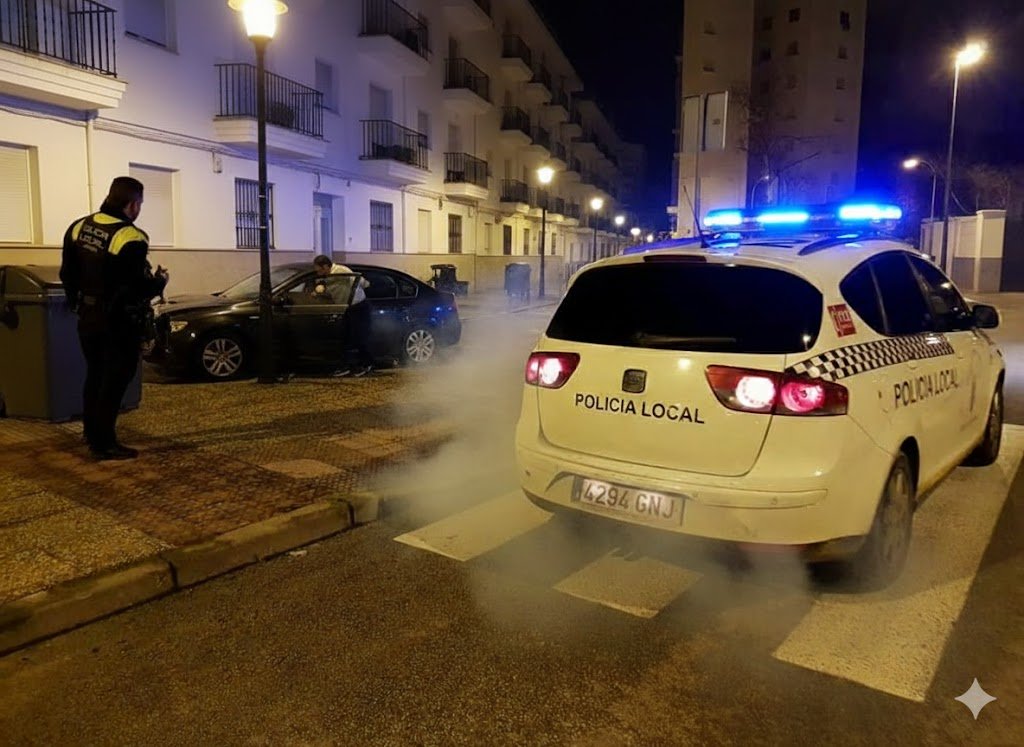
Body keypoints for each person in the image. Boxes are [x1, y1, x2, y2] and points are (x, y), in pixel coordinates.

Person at [60, 176, 169, 461]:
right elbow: (134, 286)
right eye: (140, 204)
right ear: (132, 204)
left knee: (95, 374)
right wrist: (159, 283)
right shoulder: (131, 237)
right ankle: (104, 443)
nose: (139, 209)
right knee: (116, 378)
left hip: (88, 316)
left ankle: (91, 432)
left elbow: (66, 274)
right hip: (118, 322)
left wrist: (77, 303)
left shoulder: (78, 227)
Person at [312, 255, 373, 377]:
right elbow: (328, 289)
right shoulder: (325, 277)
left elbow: (361, 283)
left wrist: (364, 283)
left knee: (359, 337)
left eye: (319, 270)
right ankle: (347, 366)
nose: (318, 273)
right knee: (345, 338)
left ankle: (366, 364)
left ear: (325, 266)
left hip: (358, 306)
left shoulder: (341, 271)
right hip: (345, 308)